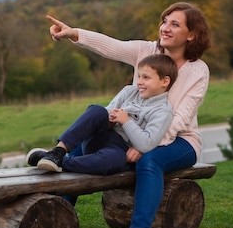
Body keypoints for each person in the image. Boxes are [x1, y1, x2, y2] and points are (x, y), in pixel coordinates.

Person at [45, 2, 211, 228]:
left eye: (175, 24)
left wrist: (144, 146)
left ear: (191, 34)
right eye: (164, 20)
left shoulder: (197, 70)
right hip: (135, 134)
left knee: (150, 163)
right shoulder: (147, 51)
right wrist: (74, 33)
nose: (165, 28)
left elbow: (178, 118)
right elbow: (111, 45)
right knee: (85, 141)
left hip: (179, 140)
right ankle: (57, 212)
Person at [27, 54, 178, 175]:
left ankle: (60, 162)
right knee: (97, 110)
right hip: (102, 136)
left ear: (164, 81)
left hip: (119, 150)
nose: (139, 82)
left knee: (114, 161)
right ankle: (58, 152)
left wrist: (126, 121)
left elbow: (146, 143)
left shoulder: (163, 111)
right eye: (139, 76)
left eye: (146, 77)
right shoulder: (130, 91)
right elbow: (106, 112)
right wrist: (111, 116)